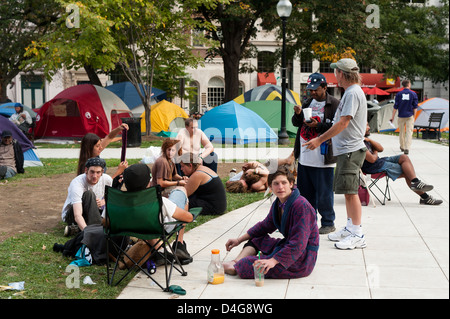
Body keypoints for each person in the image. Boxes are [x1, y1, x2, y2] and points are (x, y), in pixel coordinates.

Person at [303, 58, 368, 250]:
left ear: (342, 73)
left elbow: (343, 123)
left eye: (336, 72)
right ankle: (350, 228)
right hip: (346, 150)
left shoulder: (353, 93)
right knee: (348, 192)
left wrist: (320, 139)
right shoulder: (350, 92)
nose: (335, 76)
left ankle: (357, 233)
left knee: (350, 192)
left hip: (351, 150)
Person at [223, 167, 319, 279]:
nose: (280, 187)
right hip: (288, 247)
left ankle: (236, 266)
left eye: (284, 183)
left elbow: (298, 244)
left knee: (249, 264)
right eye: (276, 183)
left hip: (301, 260)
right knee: (257, 238)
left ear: (291, 184)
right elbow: (265, 225)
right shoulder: (278, 203)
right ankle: (235, 262)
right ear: (270, 187)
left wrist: (273, 261)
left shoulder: (301, 205)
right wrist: (239, 240)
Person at [292, 72, 340, 234]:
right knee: (305, 193)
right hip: (305, 156)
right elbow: (297, 124)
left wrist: (317, 127)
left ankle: (328, 222)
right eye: (310, 89)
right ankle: (309, 222)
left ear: (325, 88)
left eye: (316, 89)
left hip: (323, 157)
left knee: (324, 192)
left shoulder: (334, 104)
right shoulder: (307, 102)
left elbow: (337, 127)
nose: (312, 92)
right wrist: (298, 114)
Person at [122, 163, 195, 265]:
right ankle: (179, 244)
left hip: (135, 228)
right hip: (161, 227)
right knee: (181, 190)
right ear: (148, 183)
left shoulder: (116, 202)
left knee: (145, 222)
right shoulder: (159, 202)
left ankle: (159, 250)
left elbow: (105, 222)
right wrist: (192, 215)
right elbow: (187, 218)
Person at [362, 123, 442, 205]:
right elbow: (372, 159)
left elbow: (381, 149)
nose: (369, 127)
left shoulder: (366, 140)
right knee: (407, 172)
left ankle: (416, 182)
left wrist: (371, 141)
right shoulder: (359, 143)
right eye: (367, 125)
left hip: (379, 162)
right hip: (373, 168)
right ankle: (425, 197)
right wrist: (375, 152)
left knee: (404, 157)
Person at [62, 157, 114, 236]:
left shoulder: (107, 180)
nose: (94, 176)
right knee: (89, 194)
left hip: (94, 212)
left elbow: (111, 199)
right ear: (86, 170)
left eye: (98, 172)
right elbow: (77, 215)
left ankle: (76, 229)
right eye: (92, 172)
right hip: (73, 214)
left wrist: (103, 201)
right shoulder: (77, 183)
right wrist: (89, 233)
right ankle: (97, 230)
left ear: (102, 172)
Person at [225, 153, 296, 193]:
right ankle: (287, 161)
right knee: (269, 163)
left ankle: (288, 161)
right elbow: (268, 174)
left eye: (242, 179)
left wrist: (245, 170)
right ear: (245, 187)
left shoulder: (242, 179)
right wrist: (254, 170)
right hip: (277, 175)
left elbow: (228, 183)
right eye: (244, 181)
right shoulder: (255, 186)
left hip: (270, 172)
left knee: (268, 163)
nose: (244, 178)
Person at [390, 79, 418, 155]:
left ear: (403, 85)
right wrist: (414, 117)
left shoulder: (398, 94)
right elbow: (415, 107)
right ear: (408, 84)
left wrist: (392, 117)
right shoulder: (413, 94)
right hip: (409, 116)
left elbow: (395, 107)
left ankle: (402, 146)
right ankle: (407, 148)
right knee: (409, 132)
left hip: (401, 115)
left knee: (401, 132)